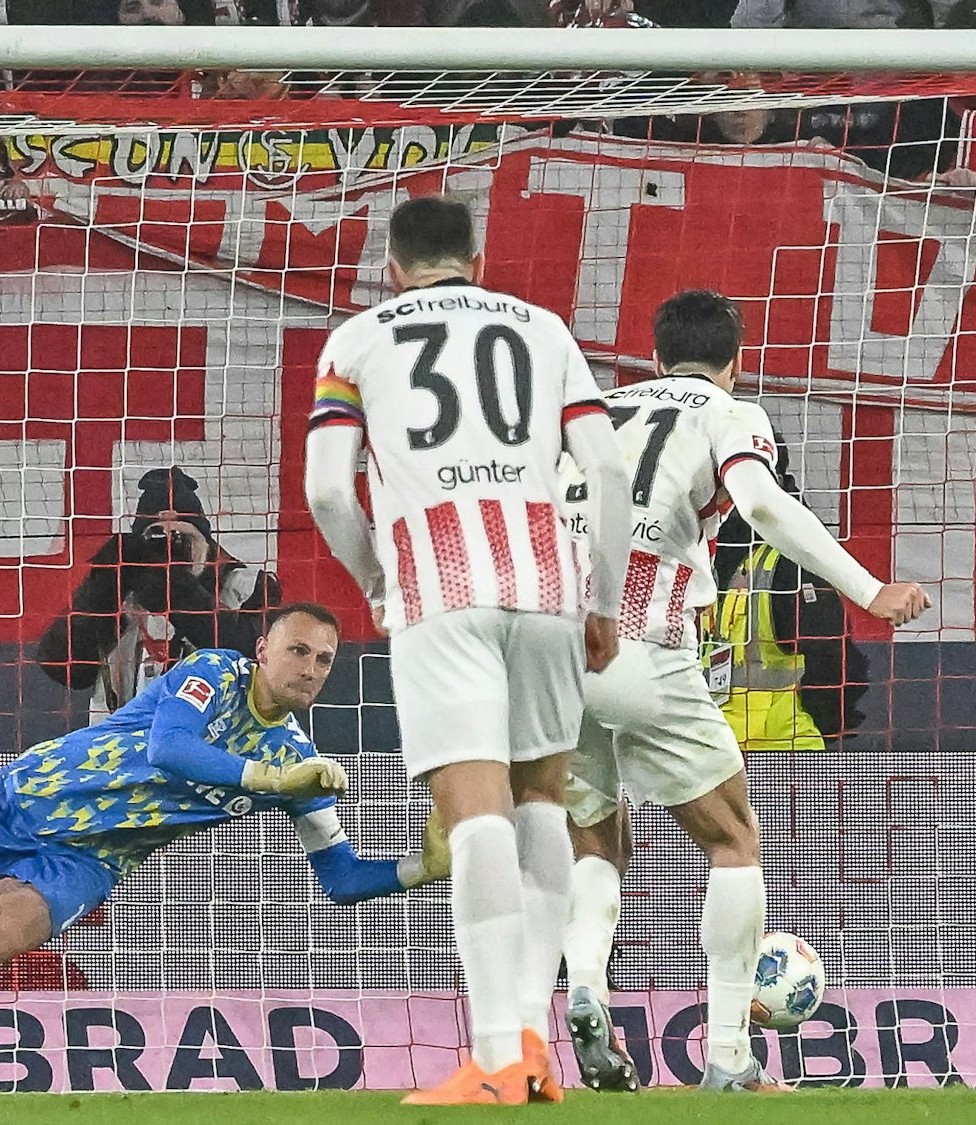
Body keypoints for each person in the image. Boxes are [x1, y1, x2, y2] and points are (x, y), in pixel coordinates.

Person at [0, 605, 447, 1095]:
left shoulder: (301, 766)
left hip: (86, 861)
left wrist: (423, 867)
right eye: (298, 649)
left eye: (324, 658)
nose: (311, 668)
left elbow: (342, 878)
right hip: (17, 798)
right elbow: (170, 747)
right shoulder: (214, 674)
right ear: (263, 649)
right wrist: (268, 776)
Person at [304, 195, 636, 1105]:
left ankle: (493, 1055)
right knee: (540, 805)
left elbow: (330, 491)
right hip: (549, 587)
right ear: (477, 259)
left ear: (392, 265)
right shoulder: (544, 327)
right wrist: (603, 598)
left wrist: (378, 581)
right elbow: (605, 469)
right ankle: (531, 1038)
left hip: (440, 590)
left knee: (477, 814)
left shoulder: (359, 339)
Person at [557, 291, 928, 1093]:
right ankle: (728, 1057)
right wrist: (869, 589)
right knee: (733, 841)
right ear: (734, 362)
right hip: (639, 642)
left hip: (545, 651)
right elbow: (760, 502)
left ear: (651, 358)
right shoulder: (728, 410)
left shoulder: (589, 408)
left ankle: (585, 983)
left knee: (595, 842)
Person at [36, 467, 281, 718]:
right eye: (158, 537)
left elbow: (261, 665)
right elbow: (66, 671)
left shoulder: (247, 586)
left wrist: (181, 596)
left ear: (207, 543)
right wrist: (100, 588)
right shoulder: (123, 583)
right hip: (121, 740)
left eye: (183, 538)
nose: (171, 549)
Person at [709, 434, 872, 750]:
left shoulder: (789, 565)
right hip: (710, 758)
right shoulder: (700, 553)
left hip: (783, 757)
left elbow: (836, 666)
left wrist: (820, 725)